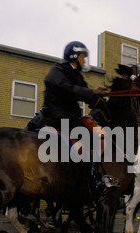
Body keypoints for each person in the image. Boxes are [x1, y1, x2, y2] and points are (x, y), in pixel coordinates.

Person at [26, 41, 118, 199]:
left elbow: (86, 94)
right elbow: (66, 88)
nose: (84, 61)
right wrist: (91, 92)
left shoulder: (77, 75)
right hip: (57, 116)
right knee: (89, 136)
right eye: (83, 57)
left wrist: (103, 99)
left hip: (68, 116)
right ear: (74, 56)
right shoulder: (58, 70)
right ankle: (95, 181)